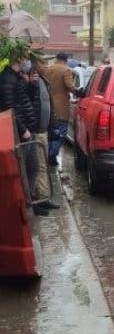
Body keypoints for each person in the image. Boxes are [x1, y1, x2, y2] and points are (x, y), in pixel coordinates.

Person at [0, 53, 44, 215]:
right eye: (24, 57)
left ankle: (30, 202)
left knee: (32, 167)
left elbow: (25, 100)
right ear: (16, 58)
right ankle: (21, 208)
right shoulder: (6, 78)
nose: (26, 60)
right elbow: (9, 108)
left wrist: (31, 85)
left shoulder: (17, 77)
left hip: (28, 129)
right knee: (21, 170)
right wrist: (22, 129)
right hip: (21, 132)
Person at [26, 58, 60, 212]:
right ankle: (40, 199)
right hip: (36, 130)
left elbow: (48, 105)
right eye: (43, 64)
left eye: (47, 63)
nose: (46, 66)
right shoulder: (31, 81)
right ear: (35, 66)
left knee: (43, 164)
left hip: (43, 130)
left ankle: (44, 197)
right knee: (38, 166)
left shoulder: (43, 80)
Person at [46, 52, 78, 166]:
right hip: (61, 107)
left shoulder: (48, 69)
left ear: (56, 58)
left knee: (51, 133)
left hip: (49, 105)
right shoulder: (66, 70)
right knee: (61, 132)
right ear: (66, 60)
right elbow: (69, 85)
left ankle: (49, 154)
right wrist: (78, 91)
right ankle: (52, 155)